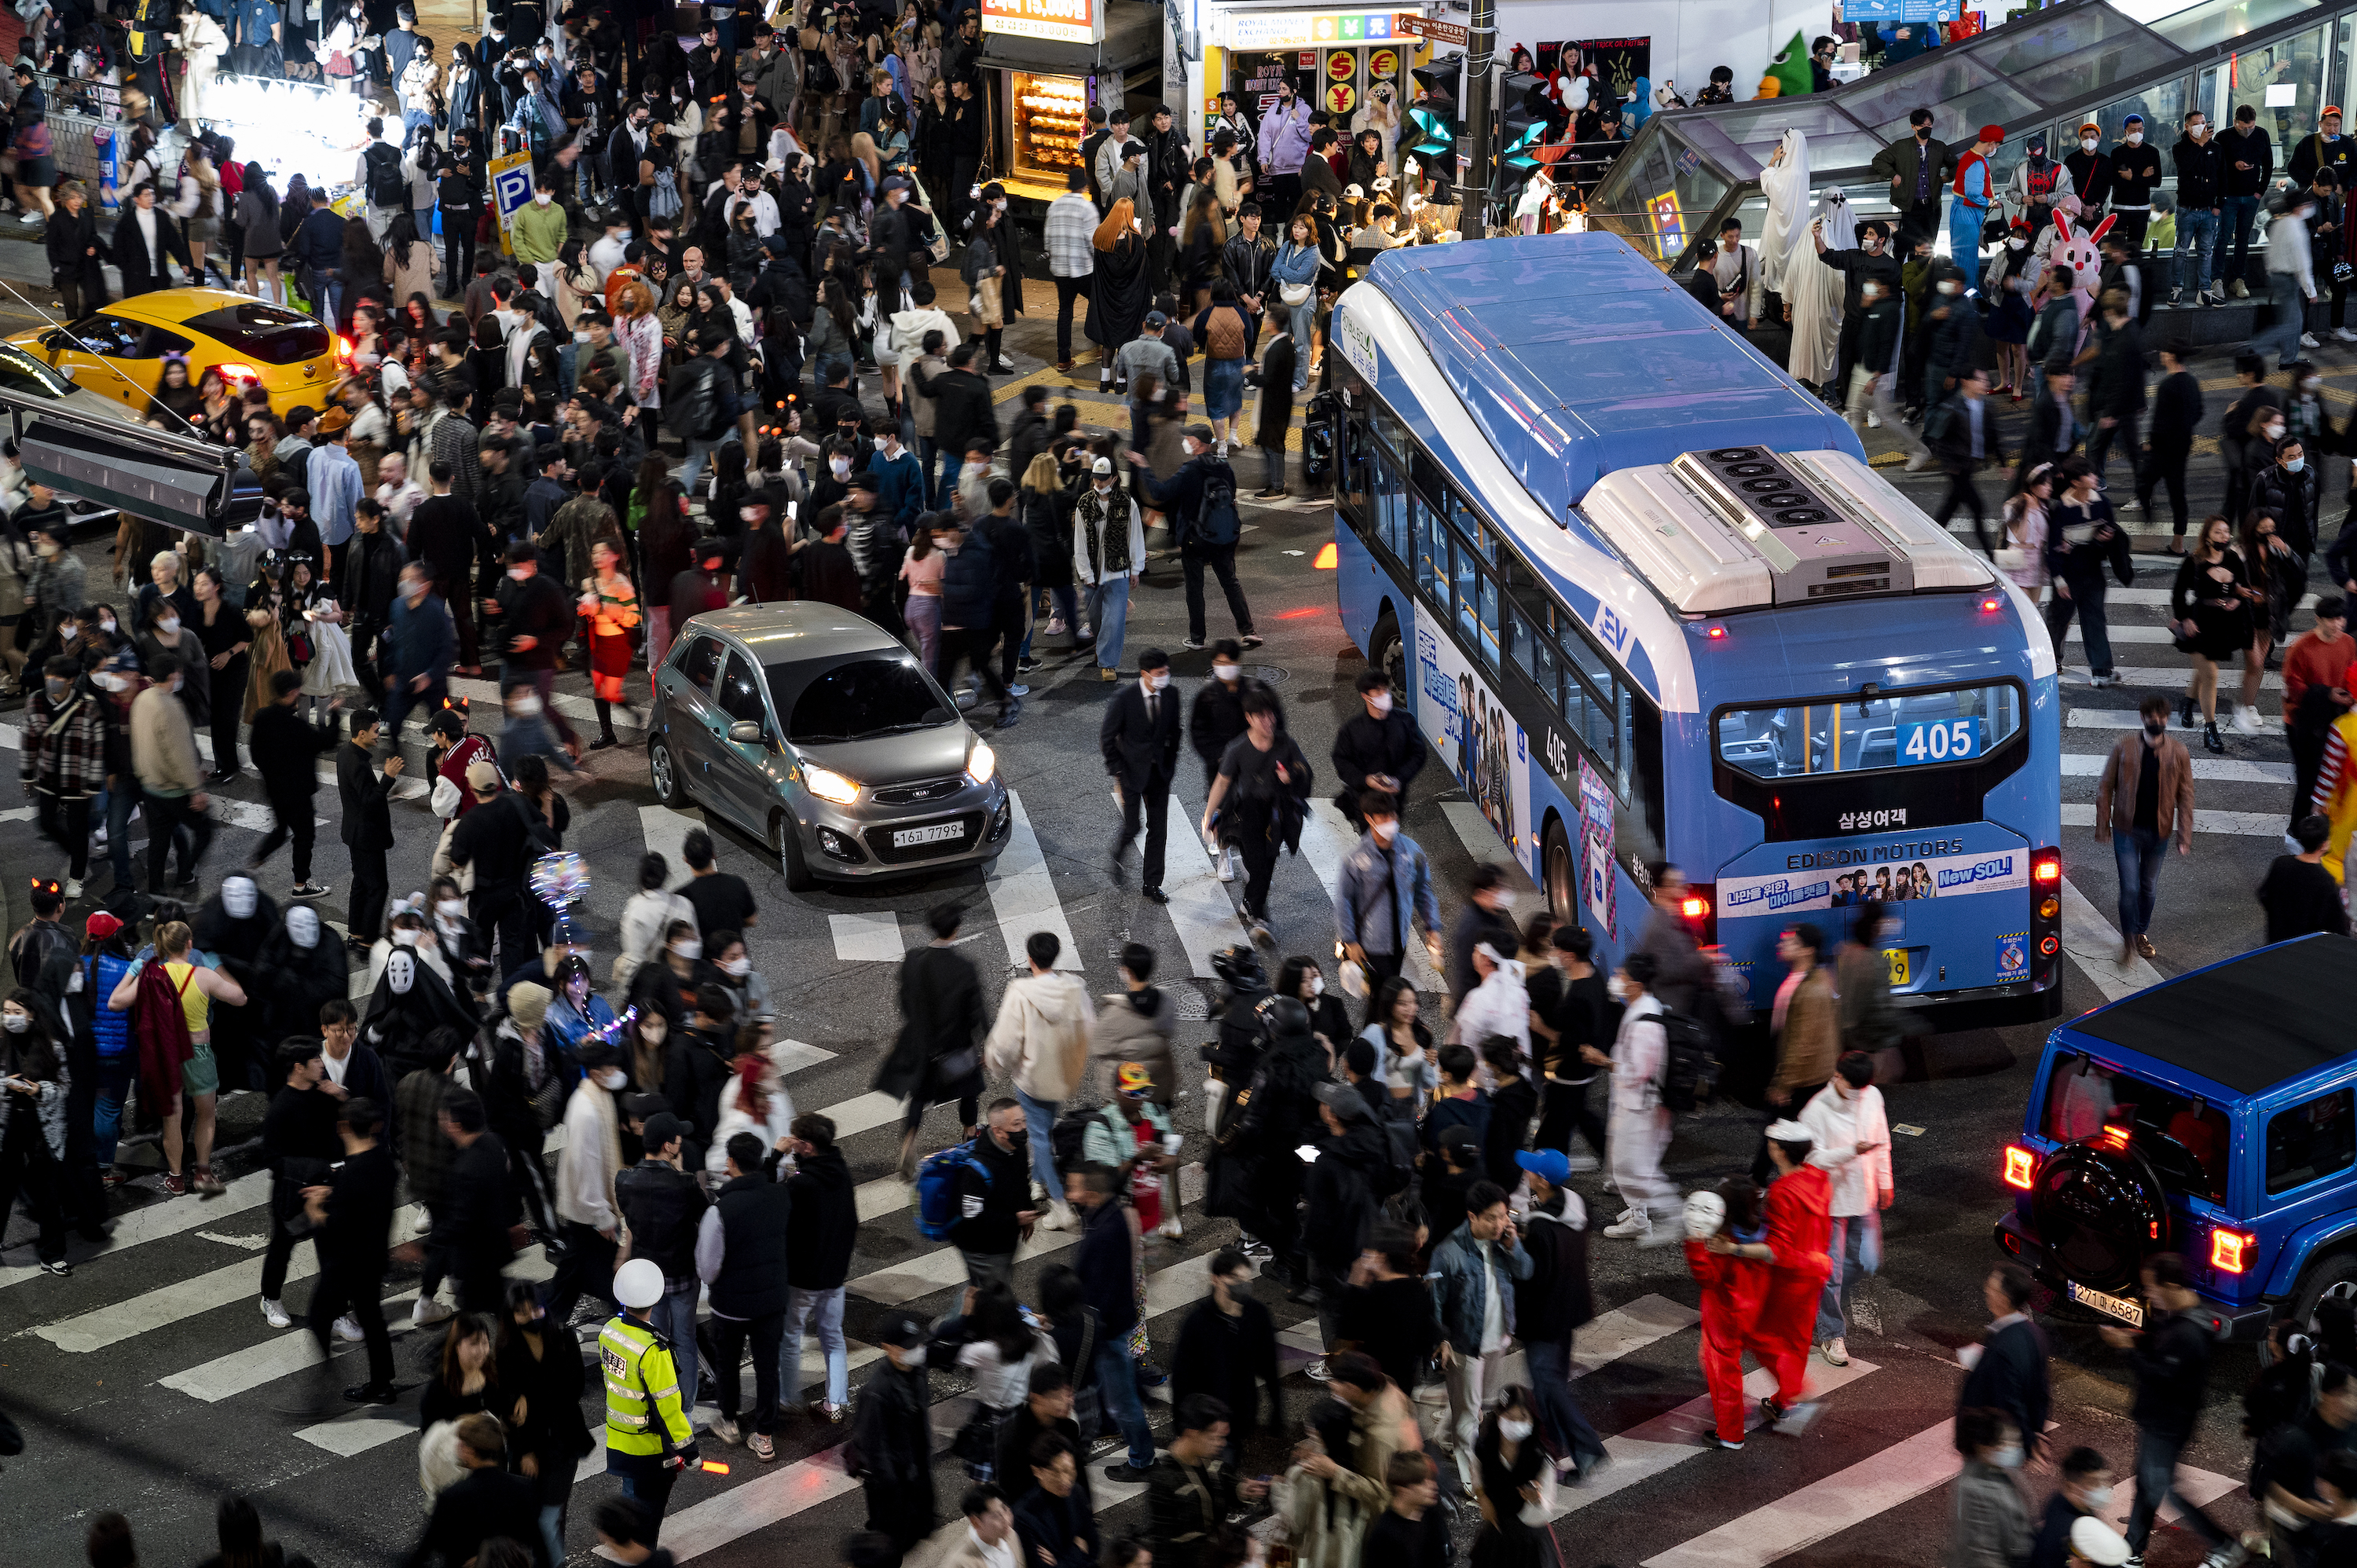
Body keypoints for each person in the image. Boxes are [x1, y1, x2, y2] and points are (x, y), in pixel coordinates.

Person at [2095, 1253, 2241, 1566]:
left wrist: (2127, 1350)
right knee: (2148, 1485)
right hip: (2159, 1420)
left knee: (2166, 1490)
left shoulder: (2189, 1333)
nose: (2148, 1294)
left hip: (2168, 1424)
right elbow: (2163, 1353)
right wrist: (2140, 1341)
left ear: (2172, 1285)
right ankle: (2132, 1551)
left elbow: (2162, 1376)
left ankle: (2224, 1545)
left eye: (2152, 1287)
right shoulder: (2180, 1316)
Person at [984, 932, 1093, 1229]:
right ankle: (1037, 1179)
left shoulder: (1020, 992)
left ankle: (1060, 1205)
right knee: (1045, 1126)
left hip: (1032, 1078)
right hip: (1061, 1074)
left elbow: (1007, 1041)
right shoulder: (1074, 988)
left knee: (1040, 1137)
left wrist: (995, 1062)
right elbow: (1088, 1028)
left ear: (1030, 958)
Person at [1512, 1148, 1607, 1483]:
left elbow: (1532, 1275)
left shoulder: (1540, 1228)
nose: (1526, 1174)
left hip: (1545, 1316)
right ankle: (1553, 1446)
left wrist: (1515, 1245)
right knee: (1552, 1381)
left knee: (1548, 1385)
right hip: (1571, 1306)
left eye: (1531, 1171)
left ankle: (1587, 1450)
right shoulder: (1575, 1204)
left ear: (1540, 1179)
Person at [1429, 1179, 1531, 1482]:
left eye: (1504, 1215)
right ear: (1472, 1216)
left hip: (1498, 1337)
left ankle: (1444, 1438)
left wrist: (1514, 1245)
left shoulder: (1504, 1241)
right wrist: (1441, 1339)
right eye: (1492, 1218)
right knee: (1469, 1415)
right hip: (1465, 1344)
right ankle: (1471, 1477)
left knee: (1476, 1403)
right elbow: (1434, 1302)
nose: (1501, 1224)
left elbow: (1526, 1271)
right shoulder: (1447, 1252)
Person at [696, 1130, 790, 1456]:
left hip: (731, 1306)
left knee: (727, 1364)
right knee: (768, 1366)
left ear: (731, 1163)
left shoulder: (720, 1211)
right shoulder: (781, 1197)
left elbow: (707, 1268)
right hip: (771, 1301)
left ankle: (730, 1422)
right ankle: (764, 1435)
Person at [1796, 1051, 1891, 1368]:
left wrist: (1884, 1180)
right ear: (1837, 1077)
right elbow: (1810, 1159)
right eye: (1853, 1088)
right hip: (1831, 1204)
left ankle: (1813, 1297)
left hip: (1863, 1199)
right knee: (1832, 1272)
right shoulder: (1816, 1110)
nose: (1858, 1096)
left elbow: (1883, 1141)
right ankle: (1831, 1334)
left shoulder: (1872, 1096)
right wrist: (1852, 1151)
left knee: (1866, 1263)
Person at [1127, 426, 1258, 650]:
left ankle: (1197, 638)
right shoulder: (1224, 467)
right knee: (1230, 583)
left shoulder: (1190, 470)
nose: (1185, 442)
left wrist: (1144, 467)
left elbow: (1160, 493)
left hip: (1194, 539)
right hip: (1224, 536)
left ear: (1198, 444)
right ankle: (1248, 631)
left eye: (1188, 438)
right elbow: (1232, 495)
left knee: (1195, 589)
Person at [615, 1111, 710, 1416]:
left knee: (656, 1342)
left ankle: (660, 1402)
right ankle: (686, 1408)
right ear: (669, 1146)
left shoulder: (625, 1181)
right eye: (677, 1138)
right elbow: (706, 1213)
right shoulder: (683, 1184)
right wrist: (681, 1175)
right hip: (682, 1275)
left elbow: (630, 1218)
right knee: (685, 1340)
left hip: (648, 1278)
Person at [601, 1256, 700, 1543]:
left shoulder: (609, 1332)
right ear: (655, 1300)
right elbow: (669, 1410)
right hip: (649, 1450)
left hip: (619, 1441)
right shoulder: (653, 1351)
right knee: (646, 1525)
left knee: (630, 1509)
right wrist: (690, 1452)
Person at [1071, 1163, 1158, 1482]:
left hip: (1107, 1330)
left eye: (1075, 1188)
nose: (1070, 1193)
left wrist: (1086, 1323)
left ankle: (1142, 1460)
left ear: (1091, 1194)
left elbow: (1099, 1289)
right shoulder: (1114, 1214)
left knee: (1124, 1404)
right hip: (1117, 1323)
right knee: (1118, 1389)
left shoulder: (1102, 1233)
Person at [1201, 688, 1310, 937]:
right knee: (1257, 865)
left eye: (1270, 715)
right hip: (1248, 812)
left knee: (1267, 862)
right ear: (1249, 718)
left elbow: (1304, 771)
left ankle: (1255, 910)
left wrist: (1290, 776)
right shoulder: (1237, 748)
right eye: (1261, 716)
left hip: (1276, 812)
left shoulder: (1286, 743)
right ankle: (1255, 909)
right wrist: (1209, 813)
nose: (1268, 721)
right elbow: (1222, 781)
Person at [2095, 693, 2194, 964]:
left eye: (2162, 716)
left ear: (2167, 719)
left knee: (2148, 889)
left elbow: (2186, 795)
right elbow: (2105, 786)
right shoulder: (2123, 747)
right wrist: (2103, 825)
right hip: (2127, 830)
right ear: (2143, 717)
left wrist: (2184, 835)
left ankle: (2140, 932)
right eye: (2152, 716)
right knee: (2130, 888)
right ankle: (2129, 940)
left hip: (2158, 832)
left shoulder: (2179, 752)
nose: (2157, 720)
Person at [258, 1037, 339, 1328]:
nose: (322, 1064)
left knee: (330, 1248)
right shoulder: (281, 1108)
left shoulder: (325, 1094)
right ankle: (270, 1298)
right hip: (292, 1190)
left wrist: (342, 1096)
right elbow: (273, 1158)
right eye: (316, 1060)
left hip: (326, 1185)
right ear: (298, 1068)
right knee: (282, 1245)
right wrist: (312, 1171)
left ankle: (337, 1310)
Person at [1168, 1249, 1281, 1448]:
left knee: (1231, 1458)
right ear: (1216, 1279)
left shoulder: (1258, 1315)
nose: (1243, 1286)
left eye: (1246, 1279)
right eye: (1235, 1278)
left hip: (1242, 1412)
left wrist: (1277, 1409)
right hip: (1207, 1419)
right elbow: (1181, 1377)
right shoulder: (1196, 1323)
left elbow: (1269, 1364)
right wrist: (1181, 1423)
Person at [852, 1313, 937, 1566]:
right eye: (908, 1346)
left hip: (915, 1474)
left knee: (914, 1533)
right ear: (887, 1348)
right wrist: (895, 1491)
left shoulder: (917, 1373)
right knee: (889, 1550)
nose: (916, 1350)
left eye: (918, 1344)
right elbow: (874, 1449)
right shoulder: (877, 1392)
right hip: (892, 1488)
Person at [407, 1412, 542, 1568]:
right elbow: (539, 1546)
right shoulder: (524, 1489)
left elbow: (425, 1551)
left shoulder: (452, 1498)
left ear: (470, 1451)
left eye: (461, 1443)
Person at [1144, 1397, 1266, 1568]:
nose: (1222, 1443)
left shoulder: (1212, 1463)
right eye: (1215, 1437)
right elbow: (1163, 1545)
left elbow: (1228, 1488)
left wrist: (1243, 1491)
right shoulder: (1163, 1480)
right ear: (1193, 1433)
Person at [2044, 460, 2135, 687]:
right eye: (2088, 475)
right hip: (2068, 575)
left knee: (2095, 619)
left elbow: (2111, 533)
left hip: (2093, 572)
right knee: (2058, 620)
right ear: (2075, 481)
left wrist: (2091, 542)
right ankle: (2048, 662)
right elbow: (2053, 548)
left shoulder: (2101, 502)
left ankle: (2101, 671)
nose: (2094, 477)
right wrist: (2059, 580)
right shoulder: (2062, 509)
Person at [1102, 649, 1182, 902]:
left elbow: (1175, 731)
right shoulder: (1125, 699)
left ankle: (1151, 884)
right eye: (1159, 674)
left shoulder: (1172, 694)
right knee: (1133, 826)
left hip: (1159, 774)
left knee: (1158, 830)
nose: (1164, 677)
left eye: (1167, 672)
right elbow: (1107, 736)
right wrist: (1117, 769)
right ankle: (1118, 853)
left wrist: (1169, 763)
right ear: (1144, 674)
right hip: (1131, 773)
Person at [948, 1097, 1038, 1291]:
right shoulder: (977, 1169)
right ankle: (954, 1321)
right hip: (981, 1248)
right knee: (991, 1299)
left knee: (986, 1293)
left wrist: (1026, 1209)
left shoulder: (1017, 1149)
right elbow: (973, 1216)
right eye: (1016, 1124)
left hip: (1004, 1240)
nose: (1023, 1128)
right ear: (997, 1130)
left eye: (1024, 1121)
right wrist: (1015, 1220)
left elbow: (1021, 1182)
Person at [339, 708, 403, 950]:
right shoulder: (358, 763)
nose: (379, 735)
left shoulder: (347, 753)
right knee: (377, 887)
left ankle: (356, 932)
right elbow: (369, 801)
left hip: (355, 833)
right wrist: (388, 778)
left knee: (361, 883)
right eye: (376, 731)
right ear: (362, 733)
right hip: (367, 836)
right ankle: (368, 940)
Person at [1948, 1407, 2033, 1568]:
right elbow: (1983, 1554)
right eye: (2004, 1442)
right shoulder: (1972, 1489)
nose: (2014, 1447)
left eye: (2015, 1440)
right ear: (1984, 1448)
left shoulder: (2005, 1471)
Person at [2029, 1449, 2117, 1568]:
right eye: (2094, 1482)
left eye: (2104, 1480)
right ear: (2072, 1486)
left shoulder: (2062, 1501)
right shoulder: (2069, 1531)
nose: (2103, 1487)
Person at [1362, 1452, 1446, 1568]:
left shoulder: (1432, 1516)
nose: (1433, 1487)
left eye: (1432, 1480)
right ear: (1403, 1489)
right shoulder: (1385, 1534)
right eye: (1422, 1482)